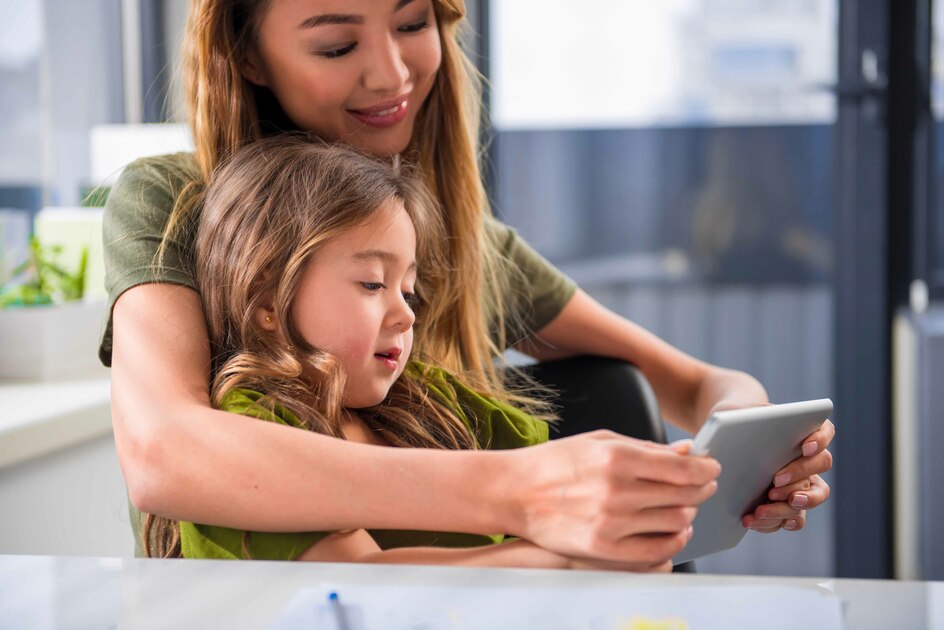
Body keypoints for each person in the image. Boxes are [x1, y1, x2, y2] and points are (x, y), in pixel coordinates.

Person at [103, 0, 834, 569]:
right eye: (336, 44)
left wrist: (749, 461)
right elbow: (168, 453)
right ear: (247, 53)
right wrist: (527, 493)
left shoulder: (456, 240)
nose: (391, 74)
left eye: (414, 22)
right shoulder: (173, 205)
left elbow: (702, 385)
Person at [145, 135, 681, 569]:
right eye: (373, 285)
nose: (408, 315)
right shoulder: (255, 438)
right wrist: (564, 564)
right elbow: (364, 587)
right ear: (267, 299)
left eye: (410, 290)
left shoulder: (430, 406)